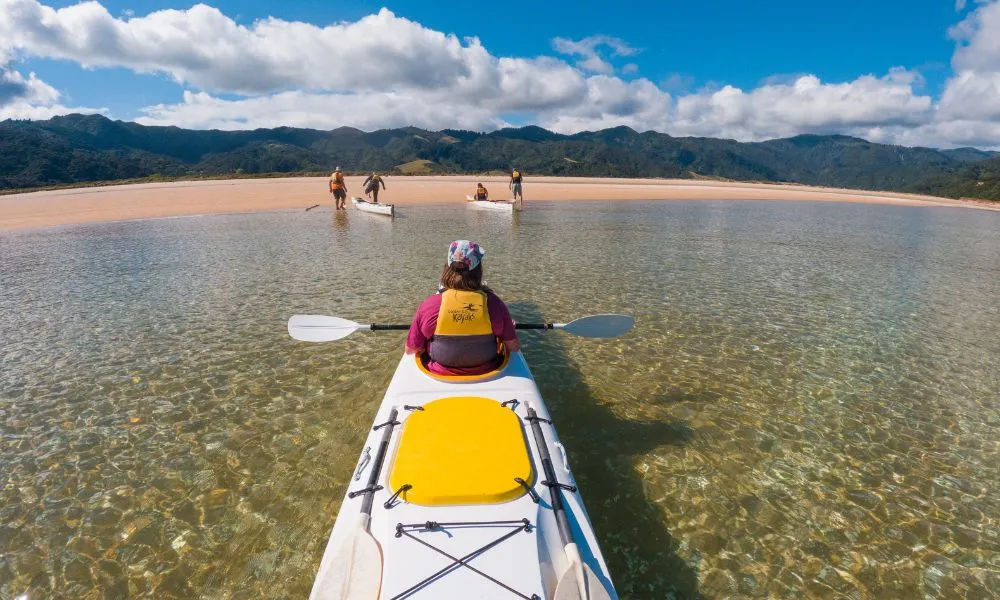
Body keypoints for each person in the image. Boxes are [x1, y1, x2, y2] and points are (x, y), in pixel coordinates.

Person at [406, 240, 521, 376]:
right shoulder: (495, 304)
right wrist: (507, 328)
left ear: (448, 267)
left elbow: (410, 350)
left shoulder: (429, 305)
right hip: (488, 371)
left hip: (439, 373)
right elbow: (513, 347)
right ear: (478, 270)